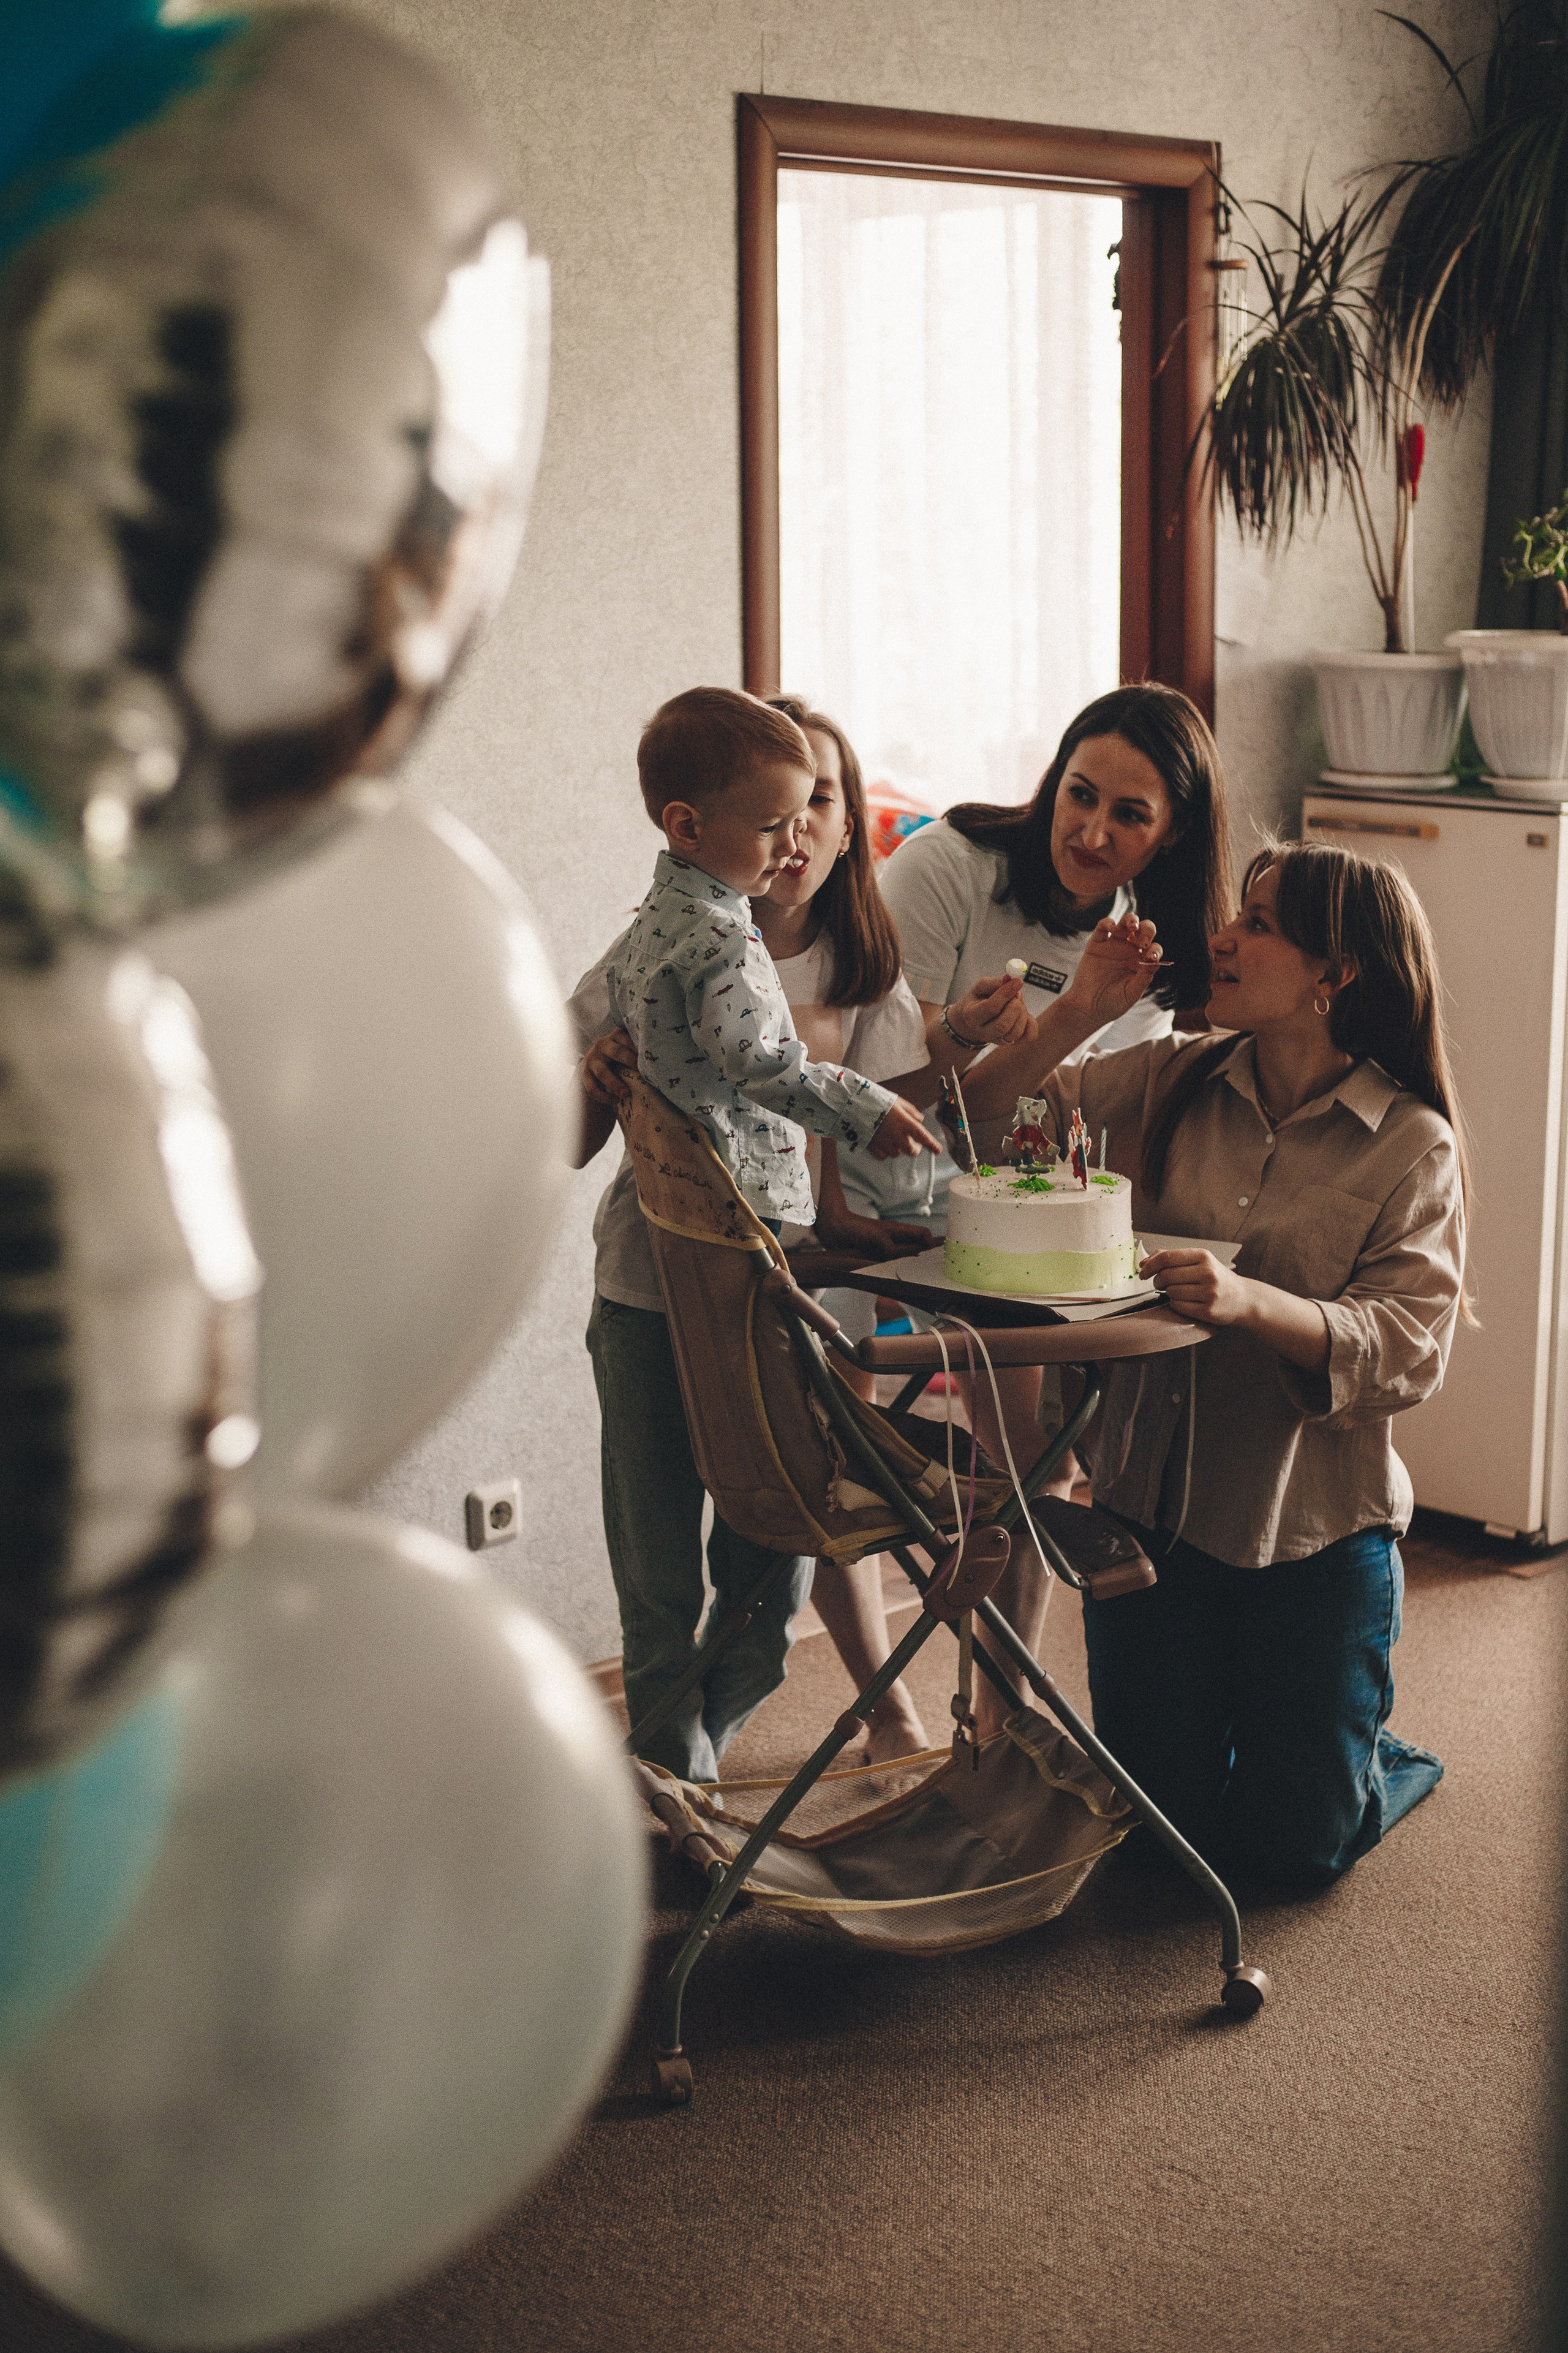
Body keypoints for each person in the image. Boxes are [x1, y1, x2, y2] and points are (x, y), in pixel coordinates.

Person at [987, 839, 1466, 1887]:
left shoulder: (1410, 1142)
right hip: (1151, 1522)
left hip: (1313, 1534)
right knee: (1158, 1840)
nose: (1223, 936)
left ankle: (1374, 1752)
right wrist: (1077, 1012)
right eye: (1236, 914)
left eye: (1259, 923)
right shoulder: (1168, 1072)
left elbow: (1407, 1346)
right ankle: (1296, 1741)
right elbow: (988, 1126)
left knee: (1292, 1855)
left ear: (1336, 976)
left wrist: (1253, 1302)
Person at [570, 687, 932, 1781]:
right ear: (691, 827)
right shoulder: (667, 945)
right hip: (649, 1290)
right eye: (778, 816)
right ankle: (683, 1782)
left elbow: (904, 1142)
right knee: (658, 1575)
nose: (799, 837)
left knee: (773, 1573)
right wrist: (595, 1084)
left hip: (780, 1297)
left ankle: (685, 1759)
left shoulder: (863, 972)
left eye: (816, 805)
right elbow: (565, 1136)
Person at [853, 682, 1231, 1516]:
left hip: (988, 1207)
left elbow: (1032, 1143)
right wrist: (1070, 1019)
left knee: (1035, 1473)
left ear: (1173, 835)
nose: (1093, 833)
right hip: (845, 1176)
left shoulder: (1137, 950)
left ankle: (1002, 1650)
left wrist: (1086, 1018)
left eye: (1131, 815)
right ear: (1054, 779)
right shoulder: (947, 863)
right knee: (843, 1456)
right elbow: (885, 1092)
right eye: (1080, 794)